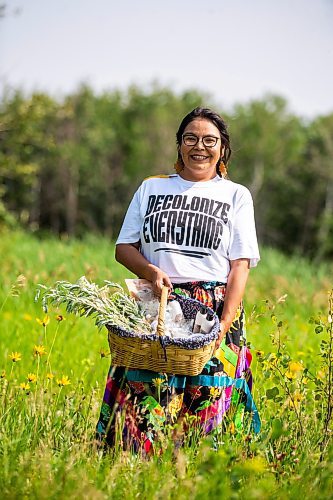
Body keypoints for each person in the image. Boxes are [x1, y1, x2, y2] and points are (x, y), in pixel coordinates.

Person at [96, 107, 260, 453]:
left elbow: (240, 265)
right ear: (179, 145)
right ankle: (134, 472)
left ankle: (199, 475)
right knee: (146, 393)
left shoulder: (236, 195)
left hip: (212, 308)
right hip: (157, 304)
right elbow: (123, 247)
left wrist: (225, 324)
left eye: (209, 140)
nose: (199, 147)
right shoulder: (151, 188)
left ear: (223, 149)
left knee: (208, 399)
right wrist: (151, 272)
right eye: (191, 138)